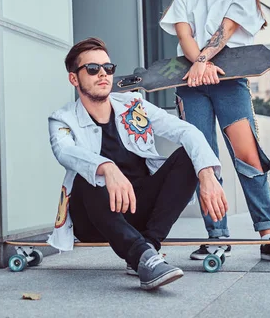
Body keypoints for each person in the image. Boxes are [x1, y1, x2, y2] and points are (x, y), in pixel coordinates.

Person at [159, 0, 270, 263]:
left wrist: (203, 60)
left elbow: (227, 30)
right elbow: (186, 38)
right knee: (203, 158)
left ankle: (268, 235)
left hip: (229, 80)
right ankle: (216, 236)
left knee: (247, 154)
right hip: (191, 84)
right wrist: (200, 63)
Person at [46, 37, 228, 290]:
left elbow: (186, 131)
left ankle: (147, 252)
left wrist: (206, 173)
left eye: (108, 68)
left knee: (190, 156)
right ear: (74, 79)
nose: (103, 74)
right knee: (87, 176)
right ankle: (144, 256)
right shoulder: (62, 119)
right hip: (95, 218)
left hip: (138, 210)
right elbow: (64, 151)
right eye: (92, 69)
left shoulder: (133, 105)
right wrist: (107, 168)